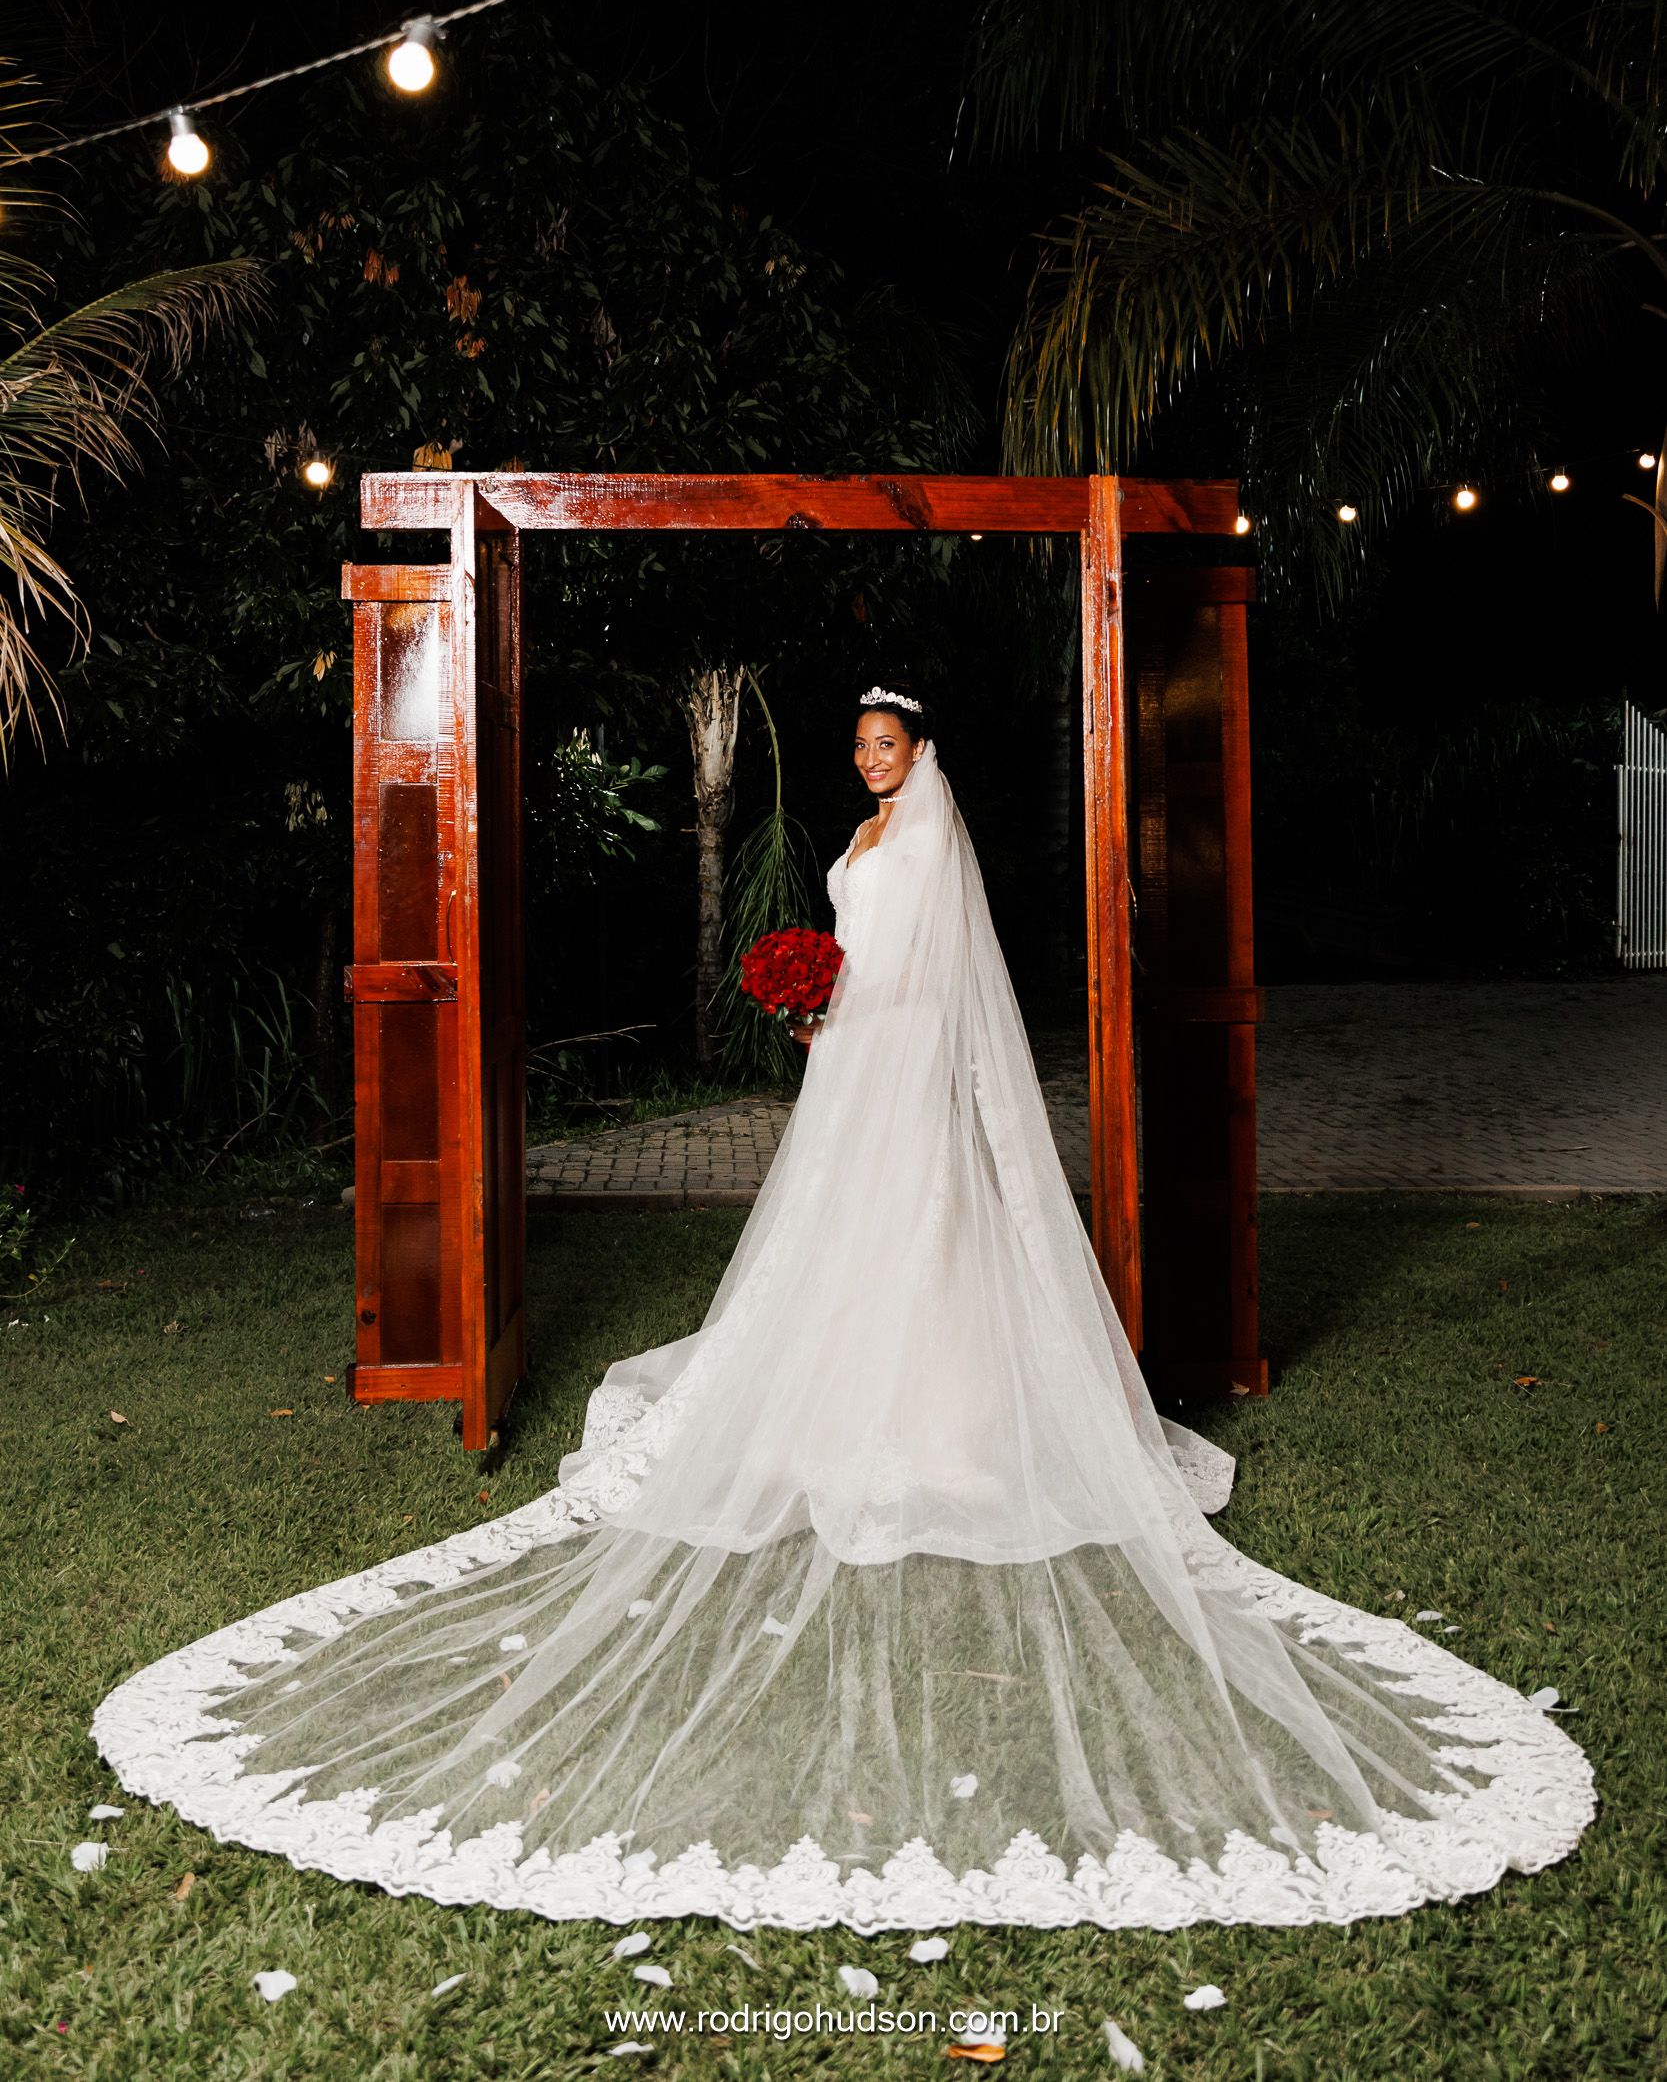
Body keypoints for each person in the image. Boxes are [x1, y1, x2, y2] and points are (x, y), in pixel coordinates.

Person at [93, 685, 1594, 1933]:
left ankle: (938, 1407)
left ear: (920, 749)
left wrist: (860, 1015)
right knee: (830, 1237)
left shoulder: (932, 830)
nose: (873, 767)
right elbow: (865, 954)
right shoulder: (869, 829)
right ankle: (843, 1386)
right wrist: (813, 998)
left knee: (919, 1221)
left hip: (901, 1067)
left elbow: (936, 981)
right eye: (861, 753)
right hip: (844, 1057)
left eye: (887, 748)